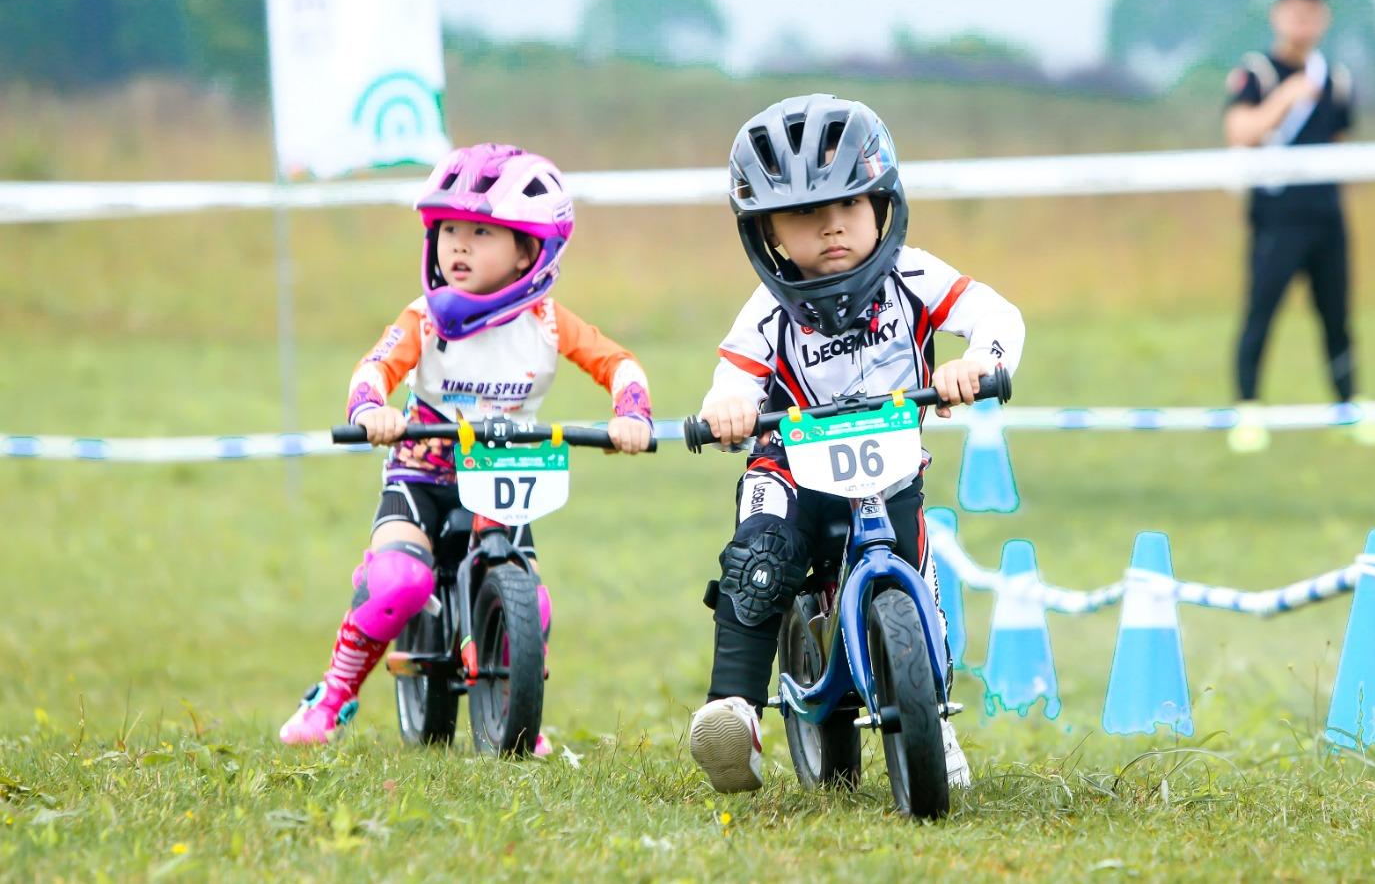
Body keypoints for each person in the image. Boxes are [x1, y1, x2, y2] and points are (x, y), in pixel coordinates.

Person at [686, 94, 1025, 794]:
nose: (832, 226)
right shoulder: (770, 309)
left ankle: (933, 709)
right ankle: (735, 711)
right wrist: (727, 407)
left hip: (888, 460)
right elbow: (736, 376)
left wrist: (977, 361)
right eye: (807, 213)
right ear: (769, 230)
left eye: (849, 204)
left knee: (917, 571)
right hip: (794, 463)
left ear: (882, 204)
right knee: (761, 553)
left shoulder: (915, 277)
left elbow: (996, 313)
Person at [278, 143, 653, 747]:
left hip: (503, 474)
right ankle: (333, 695)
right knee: (399, 582)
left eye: (481, 232)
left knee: (534, 602)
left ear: (530, 250)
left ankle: (515, 709)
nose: (458, 244)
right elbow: (374, 369)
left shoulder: (550, 322)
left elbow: (620, 364)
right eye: (449, 229)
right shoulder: (423, 318)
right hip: (421, 473)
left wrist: (631, 411)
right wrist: (370, 409)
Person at [1222, 0, 1375, 453]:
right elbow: (1239, 132)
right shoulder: (1257, 73)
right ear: (1278, 16)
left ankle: (1349, 405)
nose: (1303, 22)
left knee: (1337, 315)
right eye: (1295, 12)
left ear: (1325, 20)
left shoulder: (1336, 79)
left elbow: (1340, 144)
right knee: (1261, 312)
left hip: (1327, 217)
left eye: (1313, 13)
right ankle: (1248, 410)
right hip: (1277, 218)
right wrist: (1286, 98)